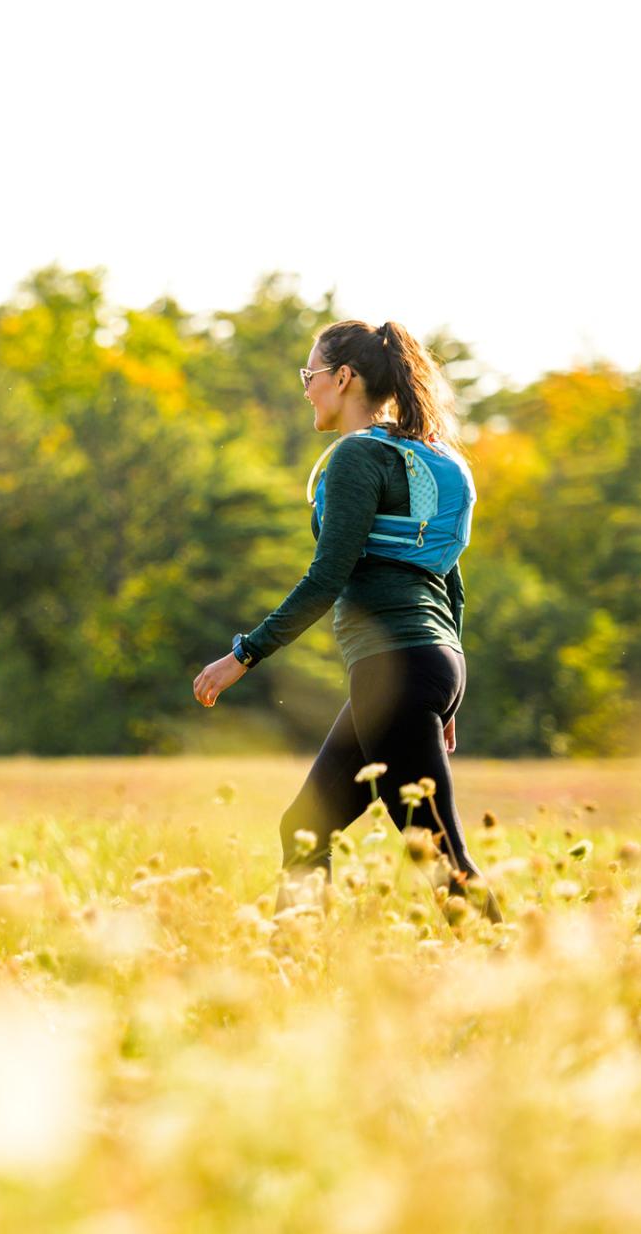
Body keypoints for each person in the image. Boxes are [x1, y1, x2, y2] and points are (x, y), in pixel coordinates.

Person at [189, 319, 501, 923]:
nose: (306, 389)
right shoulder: (429, 457)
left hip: (397, 670)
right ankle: (295, 965)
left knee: (442, 859)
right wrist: (449, 698)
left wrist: (242, 656)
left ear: (344, 377)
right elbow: (449, 576)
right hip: (429, 666)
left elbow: (327, 577)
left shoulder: (358, 457)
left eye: (310, 376)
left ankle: (525, 972)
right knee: (306, 826)